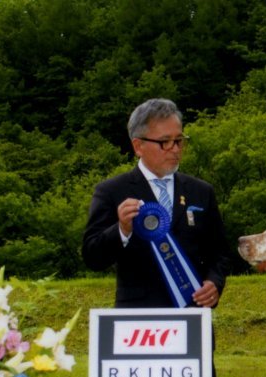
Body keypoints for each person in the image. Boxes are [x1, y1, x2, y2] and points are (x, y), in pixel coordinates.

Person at [82, 98, 232, 309]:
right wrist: (122, 230)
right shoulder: (111, 191)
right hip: (138, 324)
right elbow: (92, 257)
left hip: (193, 316)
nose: (175, 149)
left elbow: (220, 253)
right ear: (138, 146)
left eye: (179, 140)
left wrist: (214, 283)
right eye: (164, 142)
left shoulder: (202, 191)